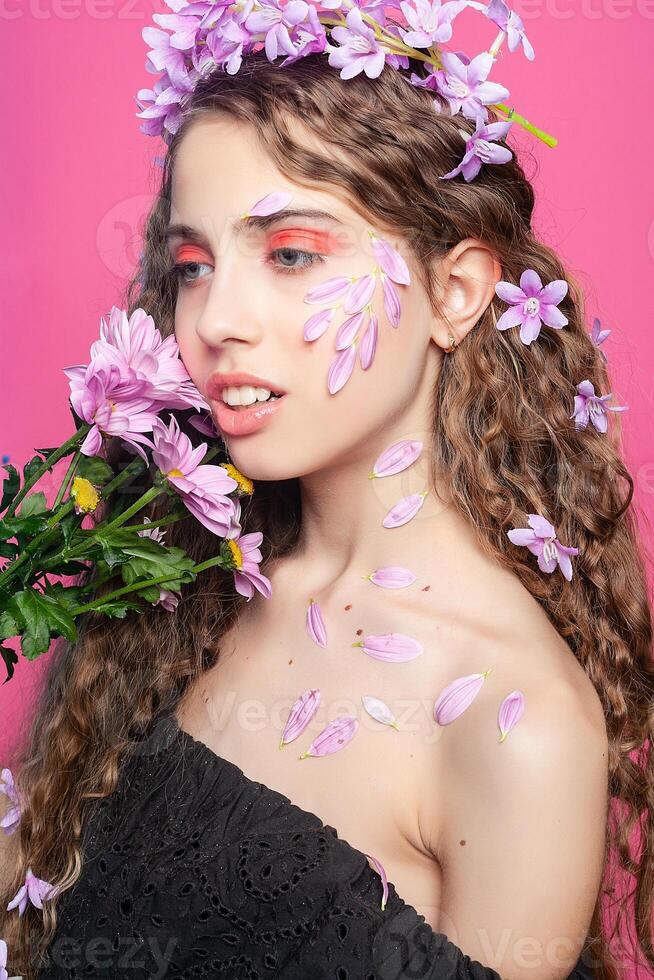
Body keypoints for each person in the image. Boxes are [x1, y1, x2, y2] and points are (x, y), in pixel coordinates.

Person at [1, 24, 653, 980]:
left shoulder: (517, 727)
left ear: (455, 291)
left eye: (293, 254)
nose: (216, 319)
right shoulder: (177, 590)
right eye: (193, 266)